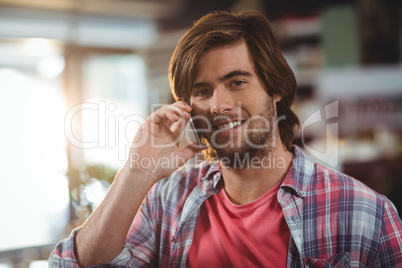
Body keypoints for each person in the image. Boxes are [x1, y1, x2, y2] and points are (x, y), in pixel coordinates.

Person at [49, 11, 402, 268]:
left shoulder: (367, 212)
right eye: (203, 91)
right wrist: (136, 172)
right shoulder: (168, 200)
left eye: (237, 82)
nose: (219, 106)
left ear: (275, 88)